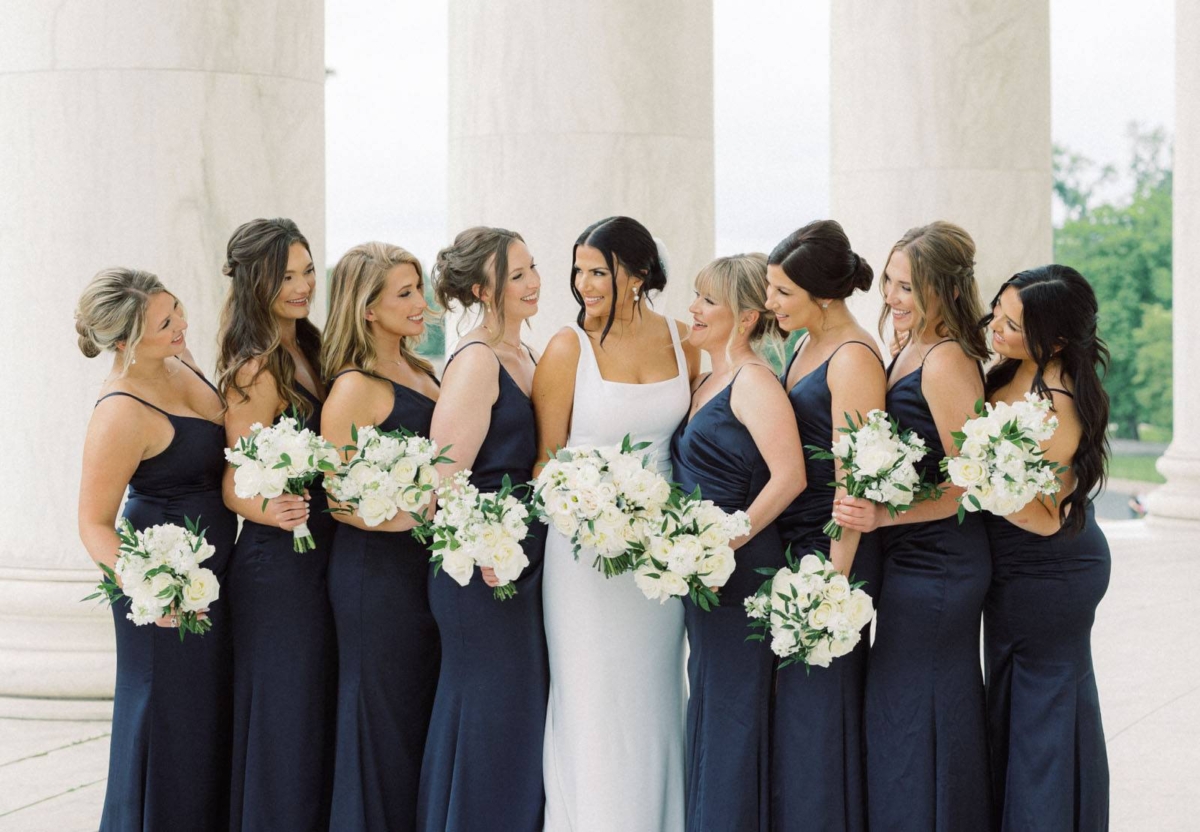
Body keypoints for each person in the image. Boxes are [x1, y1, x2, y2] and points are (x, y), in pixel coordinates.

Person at [533, 216, 699, 832]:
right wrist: (593, 510)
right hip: (582, 557)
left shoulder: (686, 340)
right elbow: (546, 460)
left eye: (597, 271)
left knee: (654, 699)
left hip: (659, 557)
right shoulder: (565, 348)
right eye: (578, 271)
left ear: (638, 273)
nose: (583, 284)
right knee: (592, 704)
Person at [834, 221, 994, 830]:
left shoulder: (947, 359)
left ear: (946, 292)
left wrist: (883, 514)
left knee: (922, 711)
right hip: (909, 559)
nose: (892, 298)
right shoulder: (908, 346)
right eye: (891, 283)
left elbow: (973, 483)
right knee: (902, 714)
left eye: (907, 287)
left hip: (942, 564)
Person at [76, 268, 235, 831]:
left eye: (178, 310)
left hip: (213, 584)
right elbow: (94, 523)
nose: (182, 325)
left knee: (203, 726)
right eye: (165, 322)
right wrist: (151, 587)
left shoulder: (180, 361)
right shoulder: (119, 410)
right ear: (123, 342)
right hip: (162, 591)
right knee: (165, 723)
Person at [418, 227, 549, 832]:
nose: (533, 283)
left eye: (531, 269)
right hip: (480, 569)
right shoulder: (475, 360)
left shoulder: (530, 353)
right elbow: (443, 483)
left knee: (520, 714)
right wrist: (485, 549)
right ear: (481, 288)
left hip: (527, 560)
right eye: (516, 275)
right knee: (490, 713)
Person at [671, 253, 805, 830]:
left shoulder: (752, 381)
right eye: (695, 297)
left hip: (741, 571)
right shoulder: (707, 377)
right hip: (705, 577)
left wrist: (725, 539)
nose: (693, 310)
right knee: (712, 706)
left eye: (707, 301)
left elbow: (791, 476)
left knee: (736, 715)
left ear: (747, 318)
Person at [216, 218, 336, 832]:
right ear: (257, 283)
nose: (302, 286)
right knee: (284, 722)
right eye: (286, 276)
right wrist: (272, 508)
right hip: (278, 566)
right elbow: (234, 482)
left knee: (314, 718)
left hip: (323, 558)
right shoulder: (253, 370)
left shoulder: (313, 347)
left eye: (308, 270)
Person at [764, 220, 885, 830]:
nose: (771, 303)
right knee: (795, 721)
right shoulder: (802, 343)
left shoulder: (854, 358)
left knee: (821, 717)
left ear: (825, 296)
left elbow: (856, 481)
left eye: (783, 292)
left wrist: (832, 589)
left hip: (832, 554)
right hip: (795, 549)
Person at [981, 264, 1111, 830]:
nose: (996, 329)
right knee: (1016, 708)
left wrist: (975, 475)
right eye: (998, 312)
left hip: (1053, 567)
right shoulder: (1008, 370)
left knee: (1044, 720)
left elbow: (1042, 518)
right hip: (1010, 569)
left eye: (1012, 324)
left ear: (1055, 340)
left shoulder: (1059, 399)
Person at [319, 242, 442, 831]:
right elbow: (338, 498)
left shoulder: (421, 370)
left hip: (423, 572)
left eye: (418, 288)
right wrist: (426, 516)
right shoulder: (354, 387)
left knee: (417, 713)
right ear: (368, 308)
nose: (421, 302)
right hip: (376, 577)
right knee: (380, 718)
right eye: (405, 293)